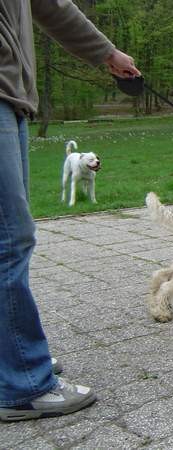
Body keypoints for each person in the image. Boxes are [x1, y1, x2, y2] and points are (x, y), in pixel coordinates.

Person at [0, 1, 140, 421]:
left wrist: (106, 52)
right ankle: (21, 382)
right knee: (9, 240)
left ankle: (12, 359)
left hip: (12, 97)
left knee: (10, 239)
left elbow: (49, 4)